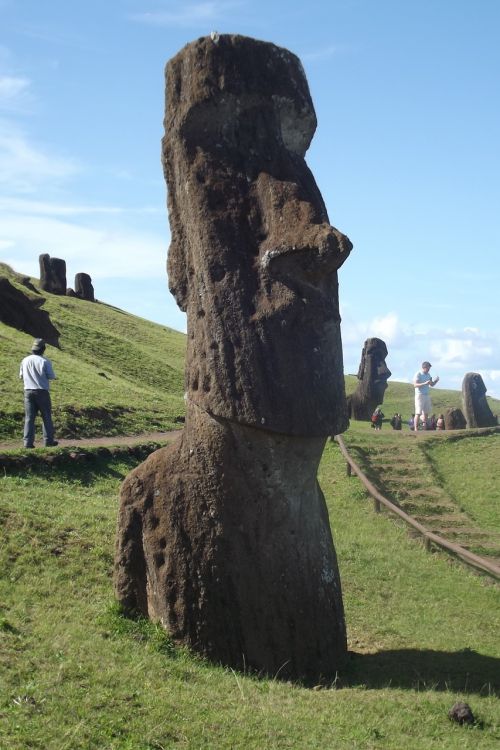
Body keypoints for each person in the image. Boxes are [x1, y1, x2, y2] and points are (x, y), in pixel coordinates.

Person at [19, 338, 58, 448]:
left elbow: (21, 376)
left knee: (29, 418)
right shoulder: (45, 361)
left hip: (28, 391)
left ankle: (27, 443)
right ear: (43, 349)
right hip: (42, 392)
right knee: (46, 417)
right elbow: (51, 376)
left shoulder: (25, 360)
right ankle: (48, 441)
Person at [413, 361, 439, 432]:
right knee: (418, 412)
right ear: (424, 367)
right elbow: (415, 385)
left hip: (427, 395)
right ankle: (416, 428)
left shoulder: (428, 375)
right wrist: (424, 383)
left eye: (429, 368)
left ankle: (424, 429)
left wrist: (436, 381)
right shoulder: (418, 374)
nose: (428, 369)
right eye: (428, 368)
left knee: (426, 413)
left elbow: (431, 384)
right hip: (419, 395)